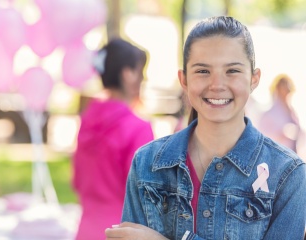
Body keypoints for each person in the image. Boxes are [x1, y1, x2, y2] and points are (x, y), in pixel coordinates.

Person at [105, 16, 306, 240]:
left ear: (254, 78)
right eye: (202, 71)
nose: (217, 85)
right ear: (184, 80)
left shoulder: (288, 174)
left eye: (232, 71)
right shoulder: (147, 163)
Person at [72, 38, 154, 240]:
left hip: (86, 230)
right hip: (123, 232)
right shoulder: (138, 128)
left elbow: (77, 181)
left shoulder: (86, 120)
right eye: (140, 71)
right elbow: (144, 197)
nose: (143, 79)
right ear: (128, 75)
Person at [257, 74, 302, 153]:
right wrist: (283, 133)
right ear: (277, 88)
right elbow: (264, 138)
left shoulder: (293, 114)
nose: (287, 90)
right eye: (284, 86)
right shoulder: (268, 115)